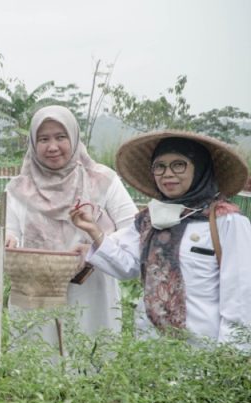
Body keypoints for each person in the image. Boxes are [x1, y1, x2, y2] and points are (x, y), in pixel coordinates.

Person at [71, 130, 251, 349]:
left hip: (205, 350)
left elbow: (240, 294)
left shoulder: (225, 221)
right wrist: (93, 230)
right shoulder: (150, 219)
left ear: (201, 169)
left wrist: (231, 354)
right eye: (160, 166)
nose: (168, 174)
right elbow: (127, 266)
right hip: (152, 349)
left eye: (179, 164)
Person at [4, 106, 138, 351]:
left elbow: (133, 230)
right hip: (37, 292)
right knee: (38, 363)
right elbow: (7, 232)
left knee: (89, 357)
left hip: (91, 289)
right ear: (33, 143)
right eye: (43, 139)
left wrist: (95, 245)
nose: (52, 146)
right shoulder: (18, 188)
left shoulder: (102, 180)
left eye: (60, 137)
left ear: (74, 138)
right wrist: (7, 241)